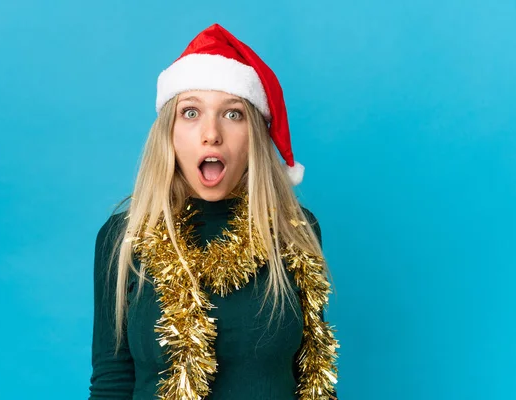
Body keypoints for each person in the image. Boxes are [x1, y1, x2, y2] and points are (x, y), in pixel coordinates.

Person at [88, 23, 339, 400]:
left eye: (233, 114)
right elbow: (111, 380)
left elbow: (314, 376)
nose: (211, 133)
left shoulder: (296, 230)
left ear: (254, 133)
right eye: (191, 113)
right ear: (169, 133)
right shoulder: (123, 237)